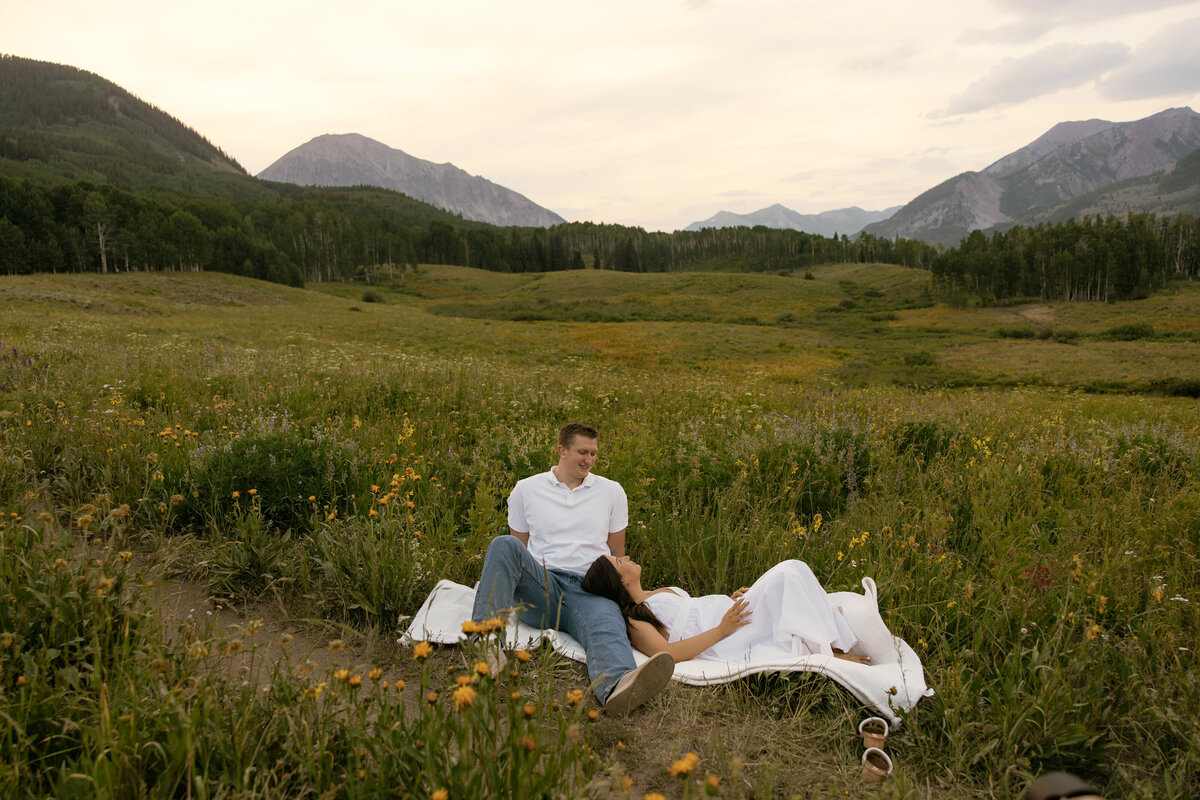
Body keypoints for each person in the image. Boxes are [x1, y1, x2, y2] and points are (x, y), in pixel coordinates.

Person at [471, 422, 674, 715]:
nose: (589, 460)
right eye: (582, 452)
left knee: (607, 624)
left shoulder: (611, 492)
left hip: (589, 588)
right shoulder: (526, 490)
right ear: (562, 451)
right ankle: (487, 646)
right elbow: (519, 551)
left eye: (593, 453)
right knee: (503, 544)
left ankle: (618, 686)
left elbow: (618, 555)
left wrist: (628, 597)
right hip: (543, 584)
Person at [581, 554, 870, 665]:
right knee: (789, 572)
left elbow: (692, 610)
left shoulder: (654, 592)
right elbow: (667, 653)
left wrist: (728, 600)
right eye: (620, 561)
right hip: (727, 636)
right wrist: (722, 629)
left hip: (730, 612)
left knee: (795, 571)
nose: (627, 557)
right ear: (620, 580)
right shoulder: (635, 618)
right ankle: (831, 653)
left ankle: (830, 644)